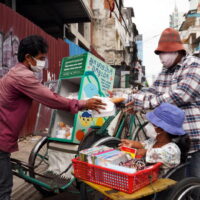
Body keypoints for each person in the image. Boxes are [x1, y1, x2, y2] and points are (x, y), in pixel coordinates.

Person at [0, 35, 106, 200]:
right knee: (4, 189)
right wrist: (83, 104)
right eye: (41, 58)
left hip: (4, 133)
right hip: (1, 136)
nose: (43, 62)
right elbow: (51, 99)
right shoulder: (22, 77)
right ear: (28, 57)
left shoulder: (16, 72)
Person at [115, 28, 200, 178]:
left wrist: (144, 104)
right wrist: (129, 98)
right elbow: (152, 91)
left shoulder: (194, 64)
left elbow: (182, 95)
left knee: (194, 181)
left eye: (164, 52)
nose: (161, 57)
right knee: (173, 179)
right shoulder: (165, 71)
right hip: (170, 138)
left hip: (192, 137)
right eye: (159, 53)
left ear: (177, 51)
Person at [119, 103, 190, 175]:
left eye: (152, 124)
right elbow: (143, 145)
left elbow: (151, 153)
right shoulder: (154, 141)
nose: (148, 126)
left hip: (160, 181)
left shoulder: (172, 150)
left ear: (162, 130)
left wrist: (137, 152)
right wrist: (132, 143)